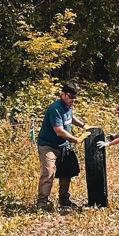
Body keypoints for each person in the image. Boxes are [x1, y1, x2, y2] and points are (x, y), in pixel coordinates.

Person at [36, 81, 87, 211]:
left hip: (64, 145)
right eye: (70, 97)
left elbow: (71, 117)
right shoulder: (55, 108)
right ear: (63, 95)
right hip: (48, 145)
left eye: (74, 97)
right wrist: (75, 139)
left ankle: (64, 199)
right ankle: (42, 202)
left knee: (66, 172)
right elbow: (59, 131)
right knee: (49, 172)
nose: (73, 100)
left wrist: (83, 126)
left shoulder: (68, 106)